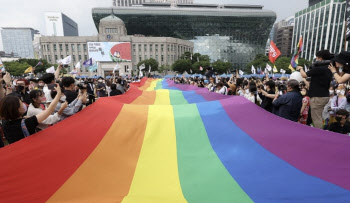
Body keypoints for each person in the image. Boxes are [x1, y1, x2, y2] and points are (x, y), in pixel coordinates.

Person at [296, 50, 333, 129]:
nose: (316, 59)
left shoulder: (319, 68)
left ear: (321, 58)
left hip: (318, 97)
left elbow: (304, 75)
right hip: (324, 95)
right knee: (318, 116)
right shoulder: (329, 68)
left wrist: (301, 69)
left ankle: (319, 136)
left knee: (316, 118)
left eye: (317, 57)